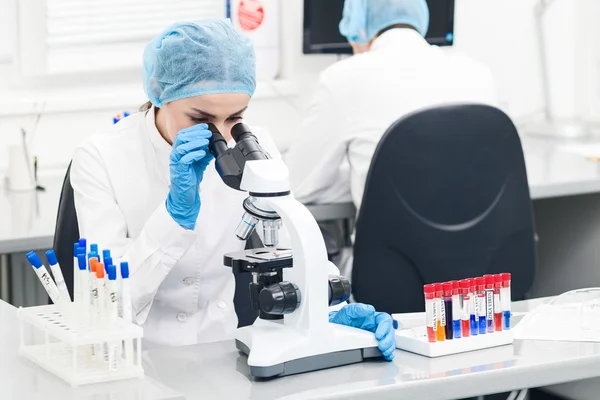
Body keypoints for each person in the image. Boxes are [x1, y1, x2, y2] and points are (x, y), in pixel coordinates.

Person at [70, 19, 395, 360]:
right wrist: (172, 218)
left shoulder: (257, 147)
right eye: (200, 119)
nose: (222, 138)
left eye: (235, 118)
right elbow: (104, 304)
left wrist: (330, 307)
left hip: (223, 355)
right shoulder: (101, 157)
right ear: (159, 93)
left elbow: (291, 245)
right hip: (133, 360)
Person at [286, 0, 498, 210]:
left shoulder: (342, 78)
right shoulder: (477, 74)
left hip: (395, 243)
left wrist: (363, 178)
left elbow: (298, 185)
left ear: (360, 25)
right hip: (486, 242)